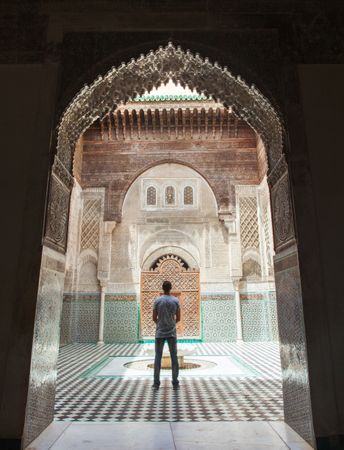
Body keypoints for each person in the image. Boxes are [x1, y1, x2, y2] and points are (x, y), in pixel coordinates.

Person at [152, 280, 181, 390]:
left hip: (159, 333)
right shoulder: (175, 300)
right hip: (172, 333)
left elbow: (154, 318)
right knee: (174, 357)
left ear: (162, 288)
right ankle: (175, 382)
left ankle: (156, 383)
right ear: (171, 288)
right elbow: (178, 318)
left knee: (158, 357)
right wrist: (171, 324)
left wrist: (160, 324)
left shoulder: (158, 301)